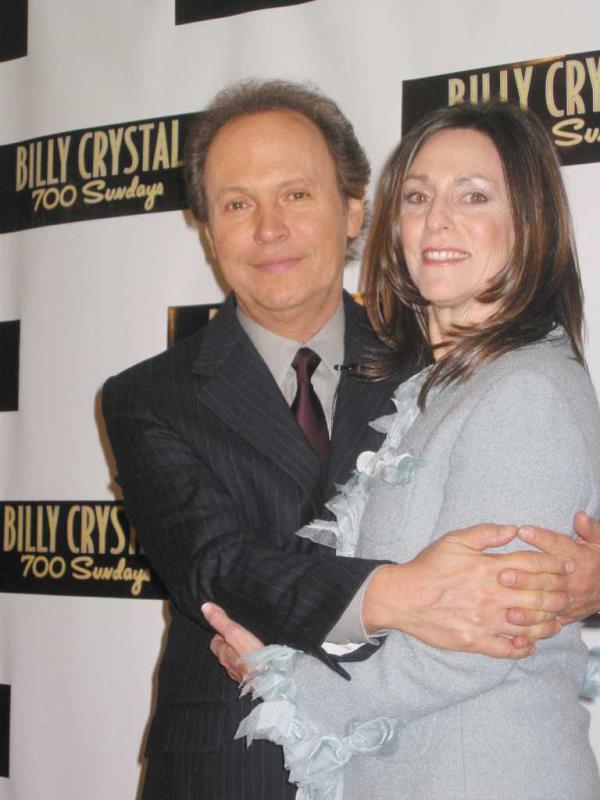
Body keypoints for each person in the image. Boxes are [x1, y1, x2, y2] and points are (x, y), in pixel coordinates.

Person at [102, 81, 600, 800]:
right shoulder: (145, 396)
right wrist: (390, 595)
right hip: (231, 759)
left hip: (429, 759)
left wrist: (578, 578)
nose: (269, 228)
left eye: (296, 195)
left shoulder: (444, 361)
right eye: (237, 204)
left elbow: (528, 521)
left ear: (355, 210)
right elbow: (215, 563)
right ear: (208, 229)